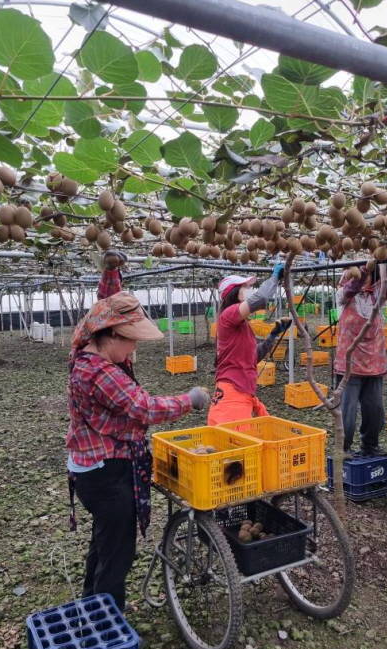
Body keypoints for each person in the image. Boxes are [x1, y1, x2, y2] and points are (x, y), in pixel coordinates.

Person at [66, 250, 209, 611]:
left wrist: (111, 272)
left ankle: (92, 606)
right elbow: (144, 408)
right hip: (106, 473)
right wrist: (190, 399)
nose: (134, 348)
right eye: (130, 340)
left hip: (92, 468)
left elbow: (105, 305)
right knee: (117, 554)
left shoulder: (87, 347)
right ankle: (106, 624)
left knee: (103, 543)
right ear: (111, 335)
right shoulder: (99, 373)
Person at [207, 264, 291, 425]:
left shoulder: (241, 324)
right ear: (233, 292)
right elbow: (261, 299)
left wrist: (272, 335)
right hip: (232, 395)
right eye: (245, 287)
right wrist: (274, 278)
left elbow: (252, 357)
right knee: (236, 442)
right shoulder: (228, 314)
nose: (249, 290)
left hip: (243, 391)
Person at [335, 264, 387, 457]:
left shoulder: (375, 297)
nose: (364, 278)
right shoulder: (344, 295)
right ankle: (343, 448)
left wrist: (386, 262)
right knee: (348, 414)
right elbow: (351, 288)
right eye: (361, 275)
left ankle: (370, 445)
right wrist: (364, 271)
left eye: (368, 275)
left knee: (375, 410)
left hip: (374, 363)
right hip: (349, 365)